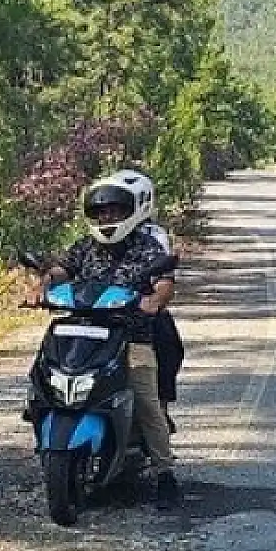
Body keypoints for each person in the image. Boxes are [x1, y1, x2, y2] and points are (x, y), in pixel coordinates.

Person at [39, 172, 182, 510]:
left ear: (130, 212)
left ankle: (165, 473)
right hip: (82, 334)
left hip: (132, 336)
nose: (107, 218)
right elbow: (61, 268)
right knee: (44, 370)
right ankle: (45, 421)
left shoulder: (147, 246)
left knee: (146, 397)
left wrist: (154, 301)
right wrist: (43, 285)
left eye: (115, 211)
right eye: (101, 212)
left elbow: (164, 281)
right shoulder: (86, 246)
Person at [112, 169, 186, 433]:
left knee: (167, 342)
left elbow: (164, 276)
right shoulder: (96, 236)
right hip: (98, 307)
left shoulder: (154, 236)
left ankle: (160, 407)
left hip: (136, 308)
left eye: (121, 204)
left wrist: (153, 300)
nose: (113, 211)